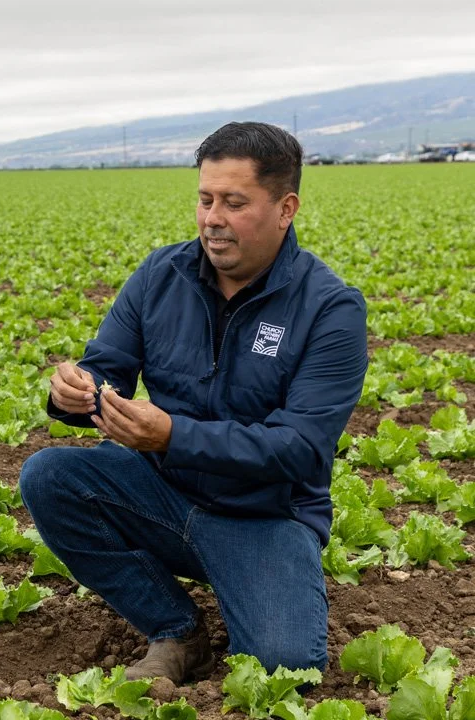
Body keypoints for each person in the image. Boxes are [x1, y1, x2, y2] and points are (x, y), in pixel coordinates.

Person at [19, 122, 368, 684]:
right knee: (50, 477)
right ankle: (177, 630)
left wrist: (172, 435)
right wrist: (76, 391)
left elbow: (300, 449)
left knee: (285, 667)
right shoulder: (162, 274)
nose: (213, 218)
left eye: (234, 202)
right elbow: (107, 365)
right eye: (205, 199)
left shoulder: (330, 309)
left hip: (264, 515)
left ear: (286, 208)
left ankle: (261, 580)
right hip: (162, 492)